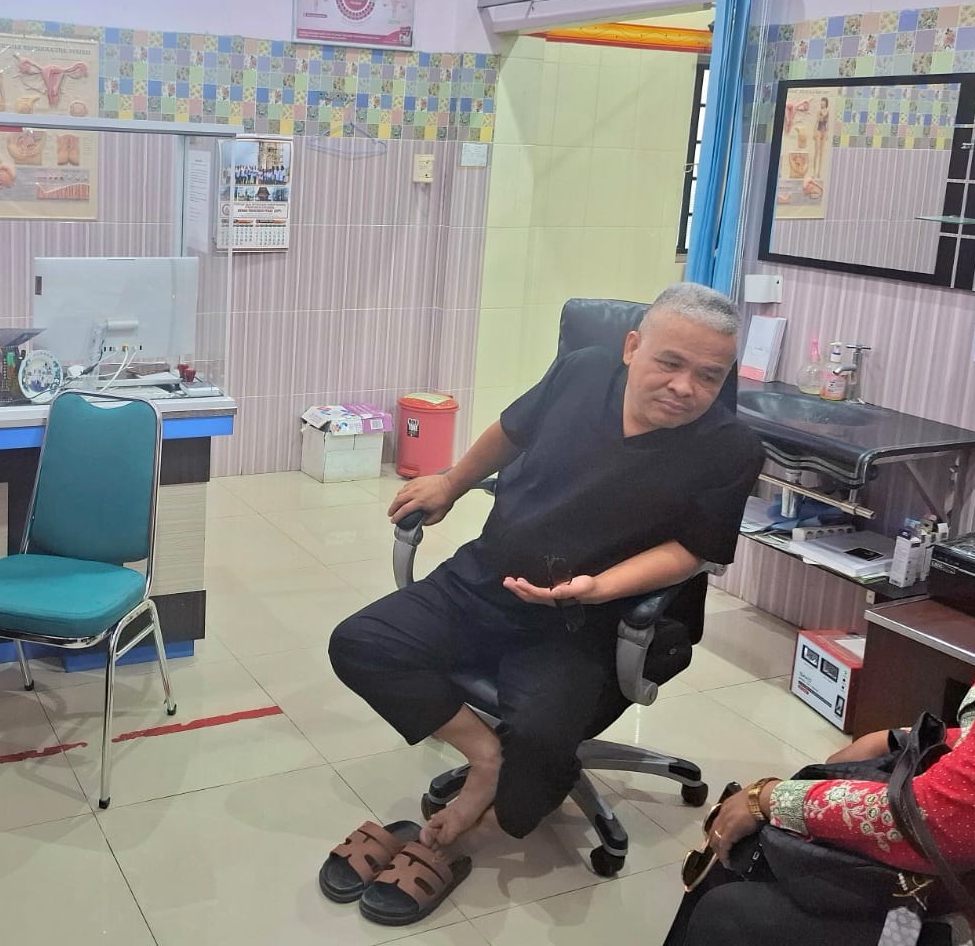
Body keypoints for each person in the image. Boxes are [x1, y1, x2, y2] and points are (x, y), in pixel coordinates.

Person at [324, 283, 763, 921]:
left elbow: (694, 550)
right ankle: (485, 758)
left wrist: (599, 587)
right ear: (632, 347)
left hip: (585, 624)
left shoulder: (730, 448)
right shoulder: (582, 372)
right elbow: (511, 431)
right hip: (484, 579)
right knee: (360, 643)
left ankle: (475, 824)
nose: (685, 387)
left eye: (709, 376)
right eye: (670, 363)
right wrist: (451, 481)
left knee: (540, 746)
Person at [679, 449, 975, 946]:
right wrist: (899, 738)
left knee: (733, 912)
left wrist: (767, 798)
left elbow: (935, 822)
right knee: (754, 862)